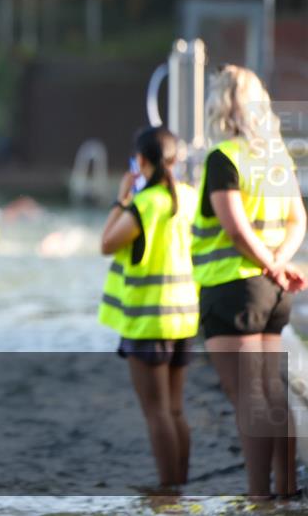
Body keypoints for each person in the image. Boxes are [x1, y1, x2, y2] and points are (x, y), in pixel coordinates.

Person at [191, 65, 306, 500]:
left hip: (233, 289)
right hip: (273, 294)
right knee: (273, 392)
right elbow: (299, 218)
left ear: (220, 106)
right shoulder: (276, 158)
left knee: (248, 398)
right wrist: (279, 263)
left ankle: (258, 497)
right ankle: (287, 488)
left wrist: (268, 265)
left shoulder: (225, 158)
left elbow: (236, 231)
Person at [99, 126, 199, 489]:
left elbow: (107, 243)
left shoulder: (145, 203)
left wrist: (121, 199)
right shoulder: (190, 197)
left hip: (148, 322)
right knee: (175, 410)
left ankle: (167, 496)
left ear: (141, 162)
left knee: (156, 413)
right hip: (185, 318)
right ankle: (181, 490)